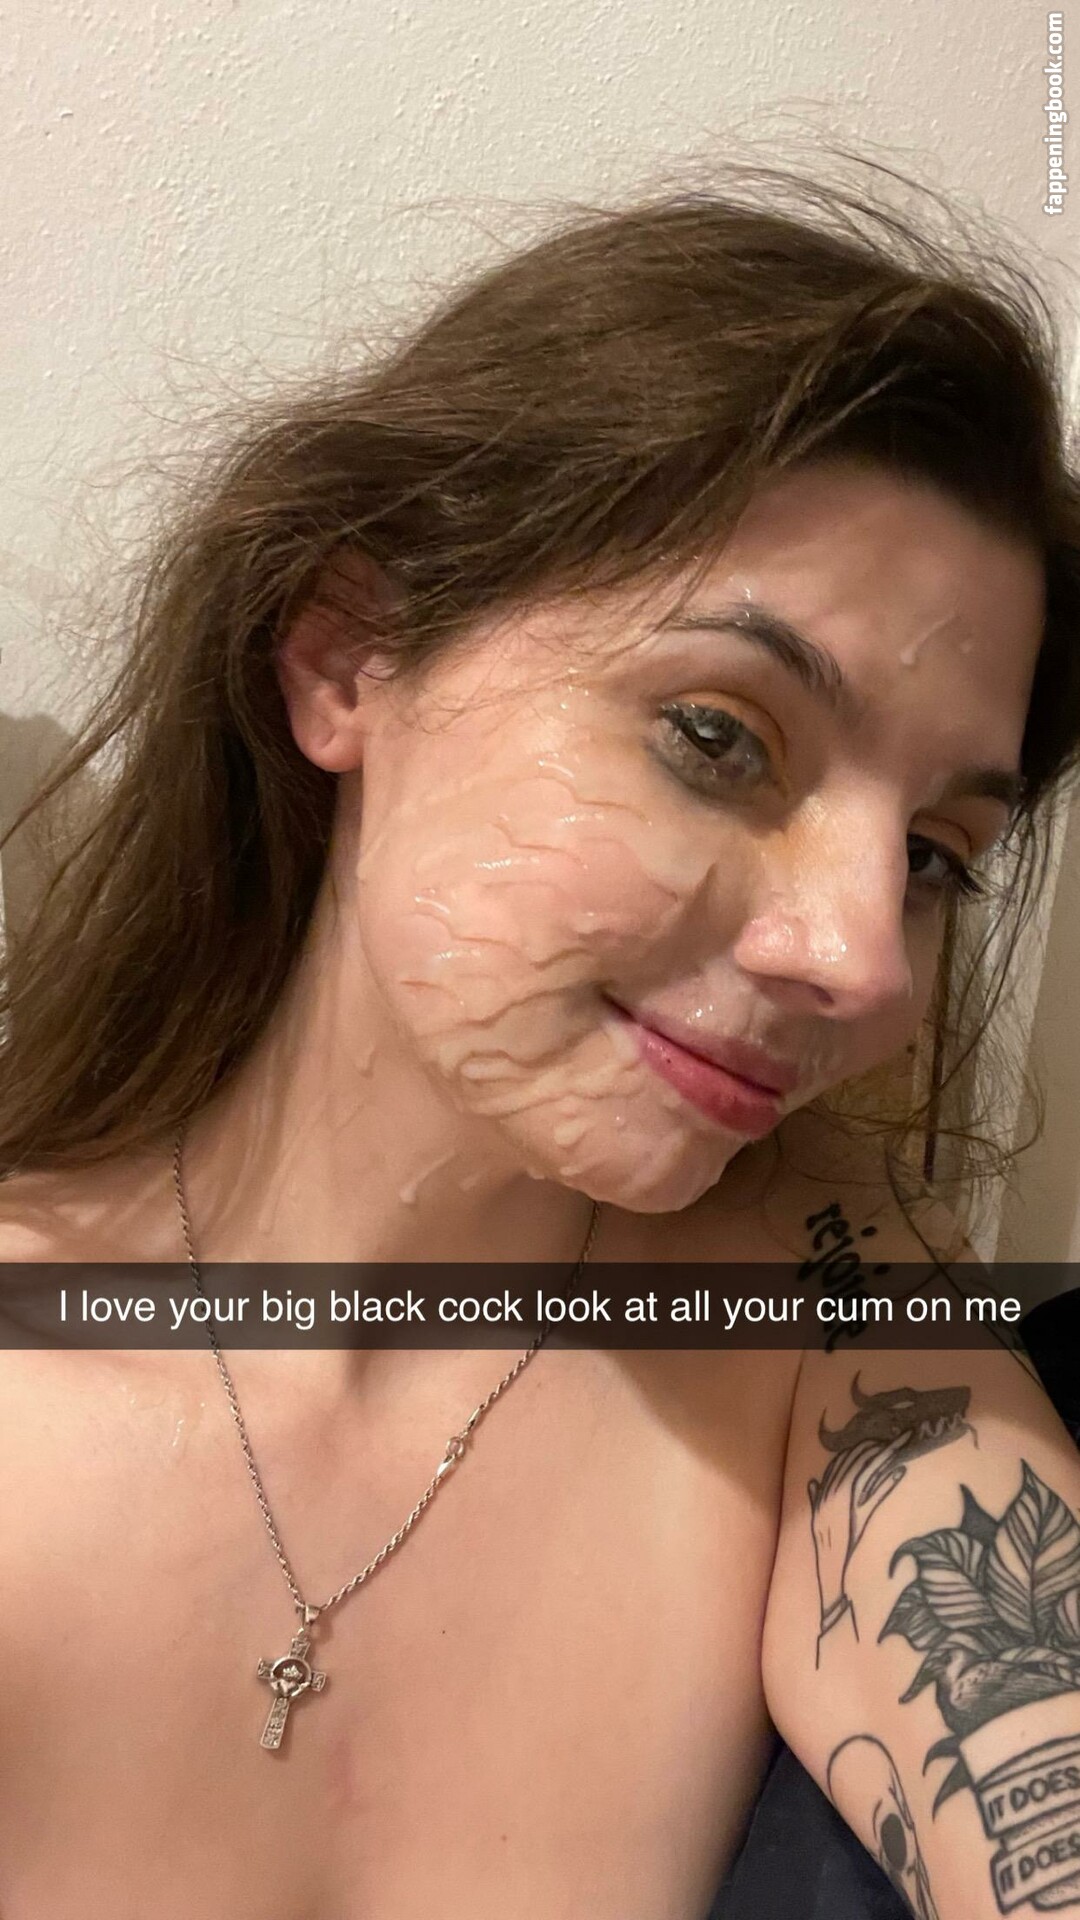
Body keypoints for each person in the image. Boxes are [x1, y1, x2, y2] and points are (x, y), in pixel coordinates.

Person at [0, 165, 1079, 1920]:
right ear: (347, 658)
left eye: (935, 856)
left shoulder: (818, 1310)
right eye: (721, 736)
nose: (866, 961)